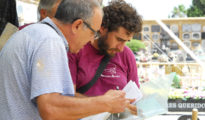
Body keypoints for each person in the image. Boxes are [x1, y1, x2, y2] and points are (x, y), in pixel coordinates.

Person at [0, 0, 130, 120]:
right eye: (93, 33)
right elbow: (50, 108)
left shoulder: (35, 33)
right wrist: (105, 103)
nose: (91, 40)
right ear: (77, 25)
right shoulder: (50, 41)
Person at [68, 0, 142, 113]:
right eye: (119, 39)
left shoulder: (126, 55)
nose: (121, 48)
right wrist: (105, 104)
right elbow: (67, 98)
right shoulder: (77, 49)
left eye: (126, 41)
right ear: (102, 28)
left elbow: (135, 99)